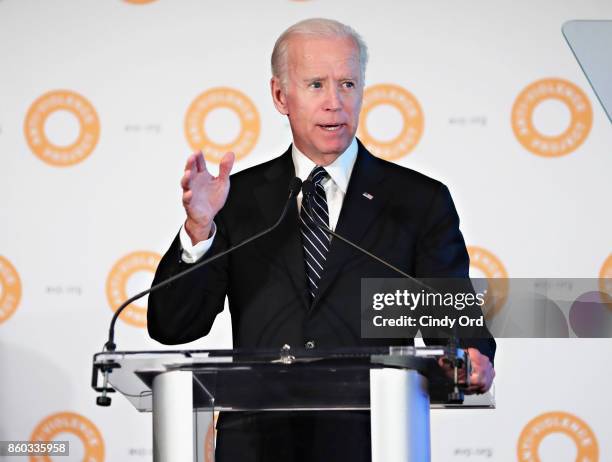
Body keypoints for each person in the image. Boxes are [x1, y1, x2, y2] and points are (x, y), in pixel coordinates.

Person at [148, 18, 495, 462]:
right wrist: (199, 229)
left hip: (374, 442)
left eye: (348, 83)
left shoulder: (415, 201)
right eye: (315, 84)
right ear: (280, 95)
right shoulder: (238, 200)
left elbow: (454, 327)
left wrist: (469, 356)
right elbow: (174, 326)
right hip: (257, 445)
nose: (335, 102)